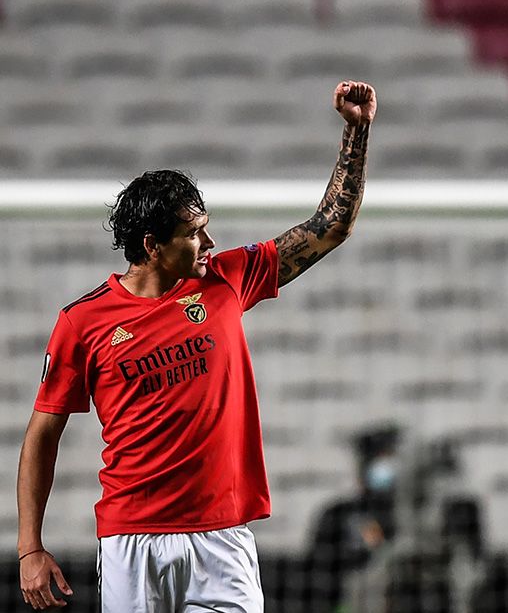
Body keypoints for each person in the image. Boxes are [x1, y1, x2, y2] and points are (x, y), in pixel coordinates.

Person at [15, 80, 377, 612]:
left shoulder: (228, 279)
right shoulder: (82, 322)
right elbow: (43, 432)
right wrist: (30, 548)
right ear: (152, 246)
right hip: (132, 539)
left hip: (222, 538)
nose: (209, 243)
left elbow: (331, 226)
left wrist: (356, 131)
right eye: (195, 233)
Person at [307, 425, 402, 613]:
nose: (386, 471)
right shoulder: (339, 515)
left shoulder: (410, 516)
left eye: (390, 460)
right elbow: (318, 575)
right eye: (379, 461)